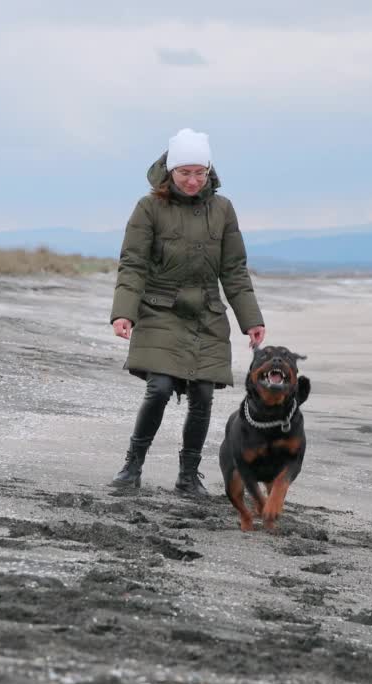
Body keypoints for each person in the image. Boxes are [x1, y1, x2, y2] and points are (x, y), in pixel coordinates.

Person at [108, 128, 265, 495]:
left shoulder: (223, 209)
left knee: (204, 394)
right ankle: (132, 466)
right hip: (160, 308)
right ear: (170, 172)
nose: (193, 181)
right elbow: (132, 265)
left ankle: (188, 474)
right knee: (160, 387)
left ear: (209, 170)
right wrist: (124, 313)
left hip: (207, 314)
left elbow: (234, 269)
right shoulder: (149, 208)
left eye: (200, 173)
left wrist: (251, 319)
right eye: (185, 173)